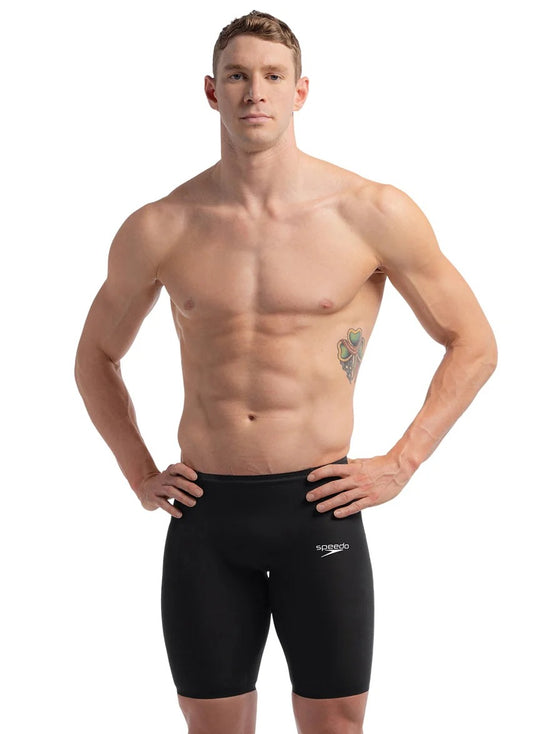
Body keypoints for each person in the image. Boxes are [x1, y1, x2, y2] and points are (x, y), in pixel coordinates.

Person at [74, 9, 497, 734]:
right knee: (213, 728)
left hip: (318, 509)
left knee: (334, 724)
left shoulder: (371, 212)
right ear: (211, 91)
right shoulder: (161, 225)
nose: (255, 92)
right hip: (205, 515)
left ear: (301, 91)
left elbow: (473, 342)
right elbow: (95, 356)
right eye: (237, 75)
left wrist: (401, 463)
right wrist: (138, 471)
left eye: (272, 76)